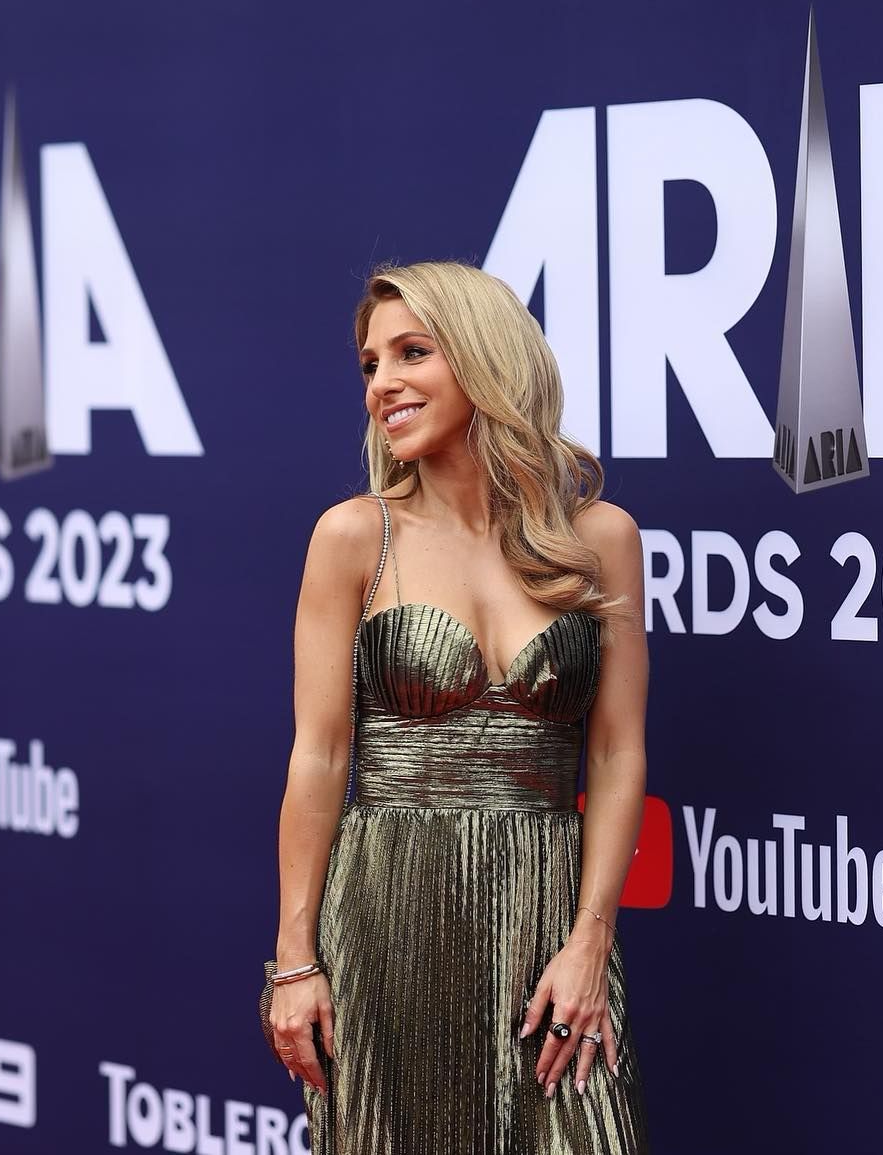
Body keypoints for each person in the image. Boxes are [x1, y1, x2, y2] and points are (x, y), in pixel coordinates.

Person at [266, 261, 651, 1152]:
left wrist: (591, 939)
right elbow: (319, 756)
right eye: (371, 365)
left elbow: (616, 752)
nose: (383, 383)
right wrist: (294, 958)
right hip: (387, 916)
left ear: (485, 357)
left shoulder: (601, 539)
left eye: (412, 352)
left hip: (546, 918)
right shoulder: (354, 535)